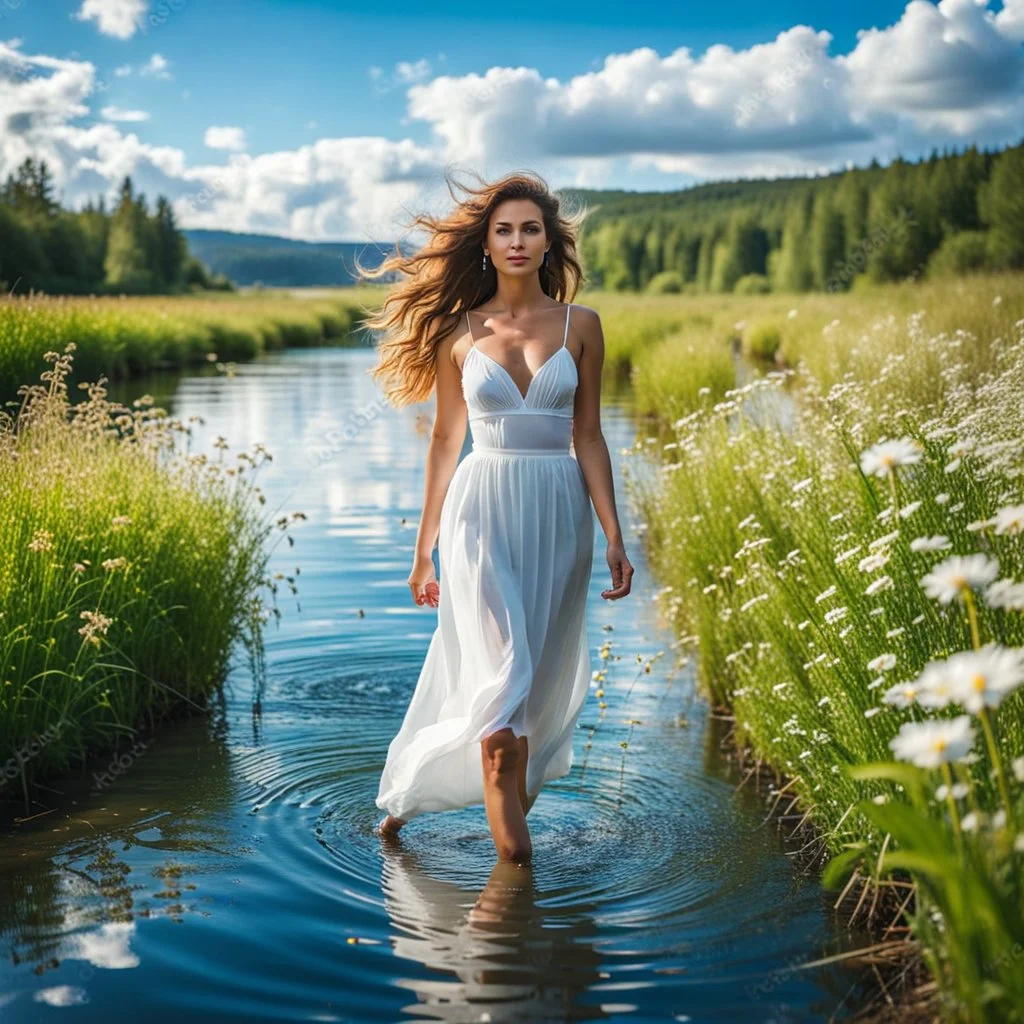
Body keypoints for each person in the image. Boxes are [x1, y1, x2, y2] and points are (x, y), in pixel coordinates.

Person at [359, 170, 634, 863]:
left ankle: (410, 800)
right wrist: (423, 550)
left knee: (534, 698)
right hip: (480, 513)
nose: (517, 241)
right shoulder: (460, 330)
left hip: (558, 516)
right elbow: (447, 439)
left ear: (549, 243)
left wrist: (614, 535)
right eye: (503, 229)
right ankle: (516, 874)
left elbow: (589, 436)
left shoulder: (583, 326)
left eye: (530, 229)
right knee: (503, 687)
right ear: (486, 243)